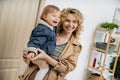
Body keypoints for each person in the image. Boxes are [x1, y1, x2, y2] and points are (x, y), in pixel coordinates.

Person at [21, 7, 83, 80]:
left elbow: (68, 68)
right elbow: (26, 53)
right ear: (62, 21)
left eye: (74, 22)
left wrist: (46, 57)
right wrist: (36, 61)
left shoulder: (76, 46)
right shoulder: (48, 32)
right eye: (67, 20)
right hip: (30, 76)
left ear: (78, 25)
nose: (70, 24)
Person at [26, 5, 60, 80]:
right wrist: (32, 51)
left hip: (45, 55)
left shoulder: (51, 28)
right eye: (54, 16)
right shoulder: (42, 29)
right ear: (45, 17)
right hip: (38, 54)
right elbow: (35, 41)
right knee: (44, 69)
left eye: (58, 17)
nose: (56, 18)